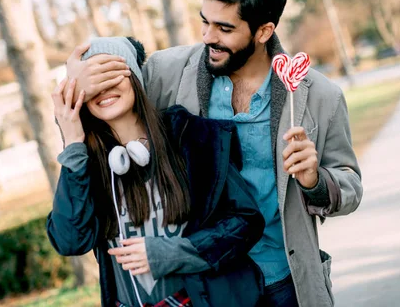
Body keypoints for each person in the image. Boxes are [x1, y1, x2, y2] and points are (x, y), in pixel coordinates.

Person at [66, 0, 363, 307]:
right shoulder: (167, 71)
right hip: (208, 285)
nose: (208, 37)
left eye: (224, 29)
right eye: (205, 22)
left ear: (264, 31)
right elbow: (110, 102)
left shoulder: (321, 97)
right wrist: (78, 79)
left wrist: (315, 180)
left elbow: (350, 186)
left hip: (284, 279)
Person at [47, 36, 265, 307]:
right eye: (92, 85)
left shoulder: (191, 138)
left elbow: (246, 221)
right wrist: (73, 143)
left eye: (112, 75)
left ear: (135, 77)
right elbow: (70, 241)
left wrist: (172, 253)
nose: (103, 90)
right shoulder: (87, 165)